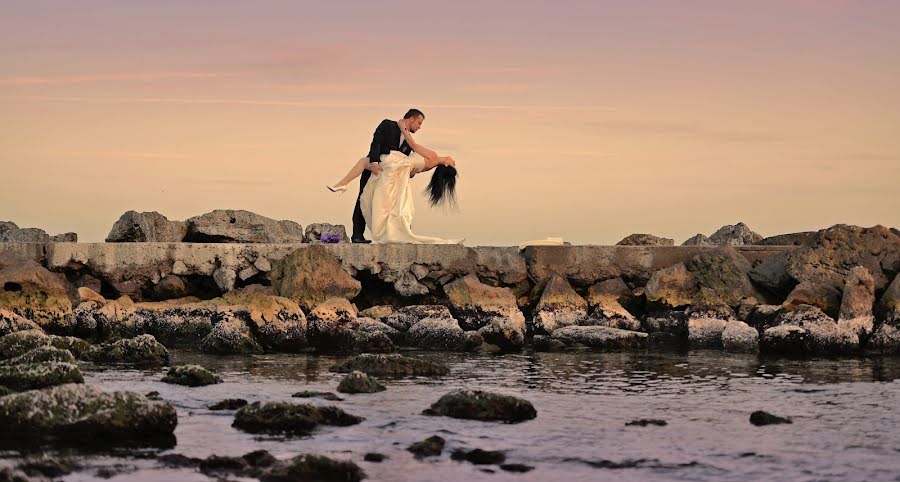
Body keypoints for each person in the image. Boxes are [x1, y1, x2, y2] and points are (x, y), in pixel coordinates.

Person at [327, 109, 460, 244]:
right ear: (411, 119)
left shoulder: (429, 154)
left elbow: (409, 159)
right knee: (364, 198)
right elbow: (376, 143)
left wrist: (403, 131)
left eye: (453, 164)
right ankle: (357, 235)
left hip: (391, 170)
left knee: (387, 202)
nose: (420, 127)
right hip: (379, 167)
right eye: (419, 123)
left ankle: (343, 184)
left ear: (447, 165)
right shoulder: (388, 125)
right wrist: (374, 161)